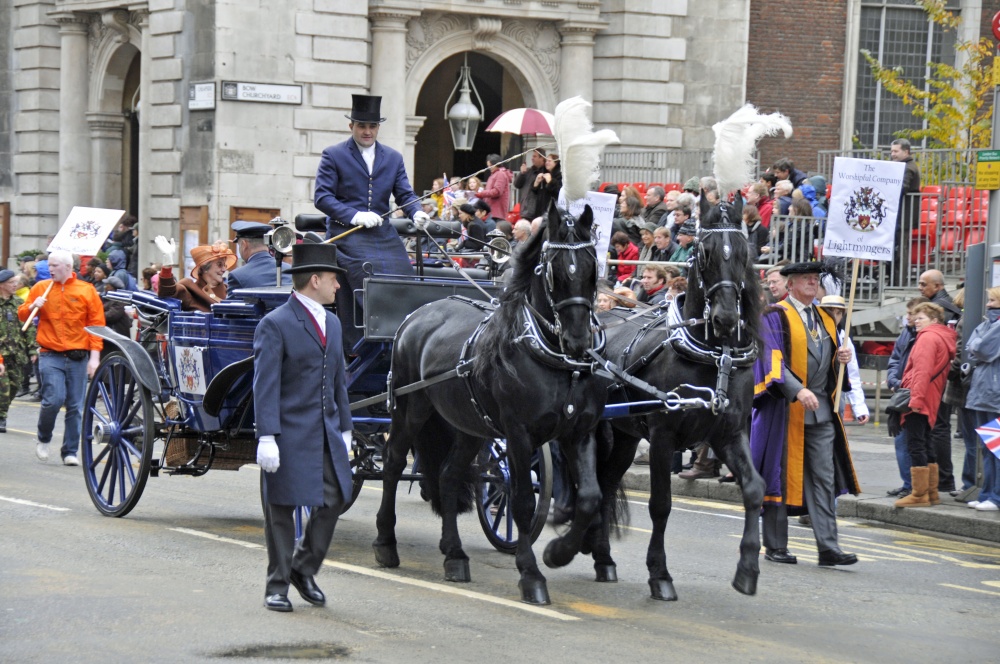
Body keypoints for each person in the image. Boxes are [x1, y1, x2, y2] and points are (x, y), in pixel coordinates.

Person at [253, 242, 354, 612]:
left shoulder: (333, 322)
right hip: (287, 431)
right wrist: (266, 436)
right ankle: (276, 585)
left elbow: (338, 379)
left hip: (326, 430)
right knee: (281, 509)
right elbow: (264, 384)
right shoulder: (275, 323)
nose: (338, 286)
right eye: (333, 279)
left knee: (337, 496)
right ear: (315, 280)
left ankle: (302, 567)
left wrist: (345, 427)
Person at [750, 261, 860, 566]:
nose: (813, 283)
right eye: (806, 279)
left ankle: (828, 547)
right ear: (790, 285)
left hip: (822, 412)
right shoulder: (774, 315)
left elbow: (829, 367)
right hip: (785, 412)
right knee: (779, 476)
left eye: (815, 279)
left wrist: (842, 358)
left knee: (823, 480)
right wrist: (797, 389)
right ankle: (775, 546)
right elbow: (771, 359)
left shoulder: (826, 318)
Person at [313, 94, 429, 349]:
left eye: (372, 126)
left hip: (382, 235)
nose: (367, 131)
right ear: (351, 126)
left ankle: (403, 338)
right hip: (346, 233)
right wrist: (354, 215)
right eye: (361, 126)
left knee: (403, 272)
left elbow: (405, 194)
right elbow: (321, 198)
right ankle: (364, 343)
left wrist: (416, 212)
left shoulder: (394, 158)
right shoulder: (333, 155)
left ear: (378, 127)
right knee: (366, 271)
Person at [18, 249, 105, 466]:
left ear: (68, 267)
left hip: (78, 356)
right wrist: (32, 306)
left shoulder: (87, 290)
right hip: (50, 353)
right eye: (49, 265)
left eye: (55, 265)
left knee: (75, 406)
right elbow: (22, 314)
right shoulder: (41, 288)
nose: (50, 269)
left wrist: (95, 358)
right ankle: (44, 437)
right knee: (53, 400)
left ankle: (70, 451)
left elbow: (97, 325)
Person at [894, 302, 956, 508]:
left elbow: (922, 371)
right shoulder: (941, 337)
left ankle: (920, 494)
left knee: (916, 444)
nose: (915, 321)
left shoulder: (927, 338)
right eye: (915, 317)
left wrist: (915, 401)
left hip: (919, 397)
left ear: (934, 320)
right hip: (931, 396)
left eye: (920, 318)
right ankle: (931, 492)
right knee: (926, 442)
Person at [915, 269, 960, 492]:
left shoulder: (943, 311)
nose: (920, 288)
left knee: (937, 429)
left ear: (938, 286)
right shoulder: (946, 308)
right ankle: (938, 482)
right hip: (940, 379)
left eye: (924, 284)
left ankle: (941, 481)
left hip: (937, 381)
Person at [885, 296, 930, 497]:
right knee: (901, 440)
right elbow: (895, 359)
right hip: (902, 390)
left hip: (913, 394)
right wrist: (894, 380)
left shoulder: (924, 337)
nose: (909, 317)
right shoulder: (906, 333)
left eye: (913, 314)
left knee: (911, 441)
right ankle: (907, 483)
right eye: (909, 313)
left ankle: (915, 486)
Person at [964, 287, 1000, 511]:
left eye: (993, 300)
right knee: (988, 447)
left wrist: (977, 345)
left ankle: (996, 496)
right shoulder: (989, 324)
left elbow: (982, 348)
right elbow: (970, 347)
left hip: (994, 395)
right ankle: (987, 493)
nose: (988, 304)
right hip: (983, 394)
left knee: (996, 448)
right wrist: (977, 345)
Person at [819, 295, 870, 425]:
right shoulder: (813, 335)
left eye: (838, 313)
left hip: (836, 398)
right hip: (814, 397)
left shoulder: (844, 340)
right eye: (830, 312)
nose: (834, 317)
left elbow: (852, 375)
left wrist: (859, 407)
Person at [155, 238, 237, 312]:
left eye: (224, 265)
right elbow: (166, 293)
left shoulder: (230, 291)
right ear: (205, 268)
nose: (224, 269)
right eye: (219, 264)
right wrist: (167, 264)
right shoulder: (190, 290)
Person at [0, 269, 35, 433]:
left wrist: (33, 349)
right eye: (11, 283)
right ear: (2, 285)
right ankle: (1, 417)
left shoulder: (19, 303)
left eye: (16, 282)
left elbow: (28, 327)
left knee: (15, 386)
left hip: (16, 353)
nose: (15, 285)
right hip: (1, 354)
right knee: (3, 389)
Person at [227, 221, 291, 292]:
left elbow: (232, 302)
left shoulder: (237, 276)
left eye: (239, 245)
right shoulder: (289, 270)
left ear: (244, 244)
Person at [891, 138, 921, 287]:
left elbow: (902, 188)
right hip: (901, 216)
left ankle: (898, 283)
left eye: (896, 151)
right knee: (897, 250)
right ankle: (894, 281)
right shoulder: (904, 166)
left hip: (904, 217)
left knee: (900, 251)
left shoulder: (908, 168)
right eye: (892, 151)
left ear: (906, 151)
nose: (893, 154)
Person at [100, 276, 133, 354]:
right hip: (109, 334)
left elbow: (111, 315)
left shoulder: (119, 300)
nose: (104, 287)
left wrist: (96, 315)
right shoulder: (107, 298)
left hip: (117, 333)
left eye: (107, 285)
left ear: (112, 287)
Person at [513, 149, 546, 221]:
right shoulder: (529, 171)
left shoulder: (545, 172)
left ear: (542, 158)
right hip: (525, 209)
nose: (532, 158)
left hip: (537, 210)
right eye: (532, 156)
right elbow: (517, 184)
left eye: (535, 156)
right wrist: (522, 173)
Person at [478, 153, 513, 222]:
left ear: (497, 163)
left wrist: (482, 193)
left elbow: (497, 191)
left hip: (496, 212)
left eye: (491, 165)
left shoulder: (500, 174)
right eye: (488, 166)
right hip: (492, 211)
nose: (489, 168)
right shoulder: (494, 174)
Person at [531, 153, 562, 219]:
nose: (547, 163)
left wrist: (550, 182)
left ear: (556, 163)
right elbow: (536, 192)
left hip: (552, 209)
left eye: (549, 161)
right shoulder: (544, 173)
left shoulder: (559, 175)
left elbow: (559, 192)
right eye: (546, 161)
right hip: (541, 209)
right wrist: (536, 182)